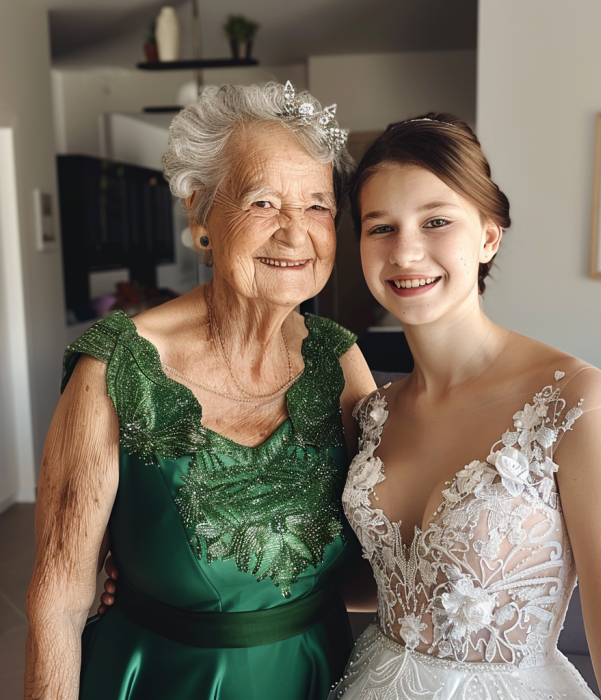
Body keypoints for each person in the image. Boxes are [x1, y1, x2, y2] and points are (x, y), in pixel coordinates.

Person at [24, 82, 376, 700]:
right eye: (264, 202)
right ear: (199, 217)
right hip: (161, 678)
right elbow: (58, 601)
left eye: (317, 206)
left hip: (317, 671)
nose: (296, 234)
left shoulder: (340, 359)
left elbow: (381, 558)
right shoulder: (114, 367)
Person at [331, 115, 601, 698]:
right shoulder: (374, 412)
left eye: (436, 221)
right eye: (380, 227)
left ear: (488, 235)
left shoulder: (581, 407)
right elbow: (384, 583)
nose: (406, 252)